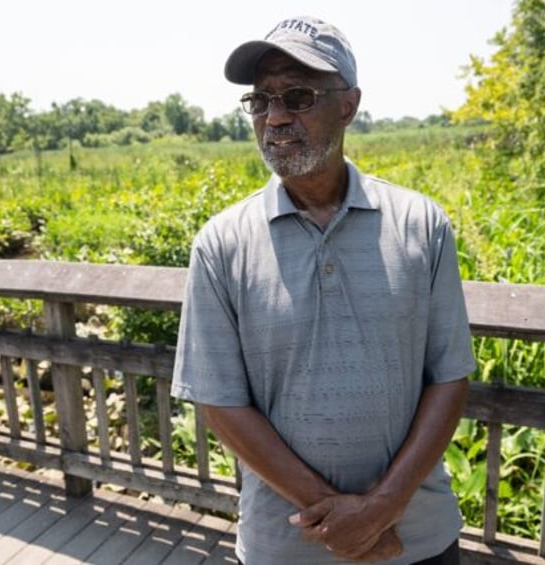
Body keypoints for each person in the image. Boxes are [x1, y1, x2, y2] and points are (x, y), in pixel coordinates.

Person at [171, 15, 476, 565]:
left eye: (298, 95)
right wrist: (353, 523)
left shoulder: (420, 224)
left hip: (419, 539)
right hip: (287, 545)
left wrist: (384, 506)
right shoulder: (221, 244)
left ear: (349, 106)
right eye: (260, 100)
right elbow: (219, 401)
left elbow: (449, 376)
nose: (275, 117)